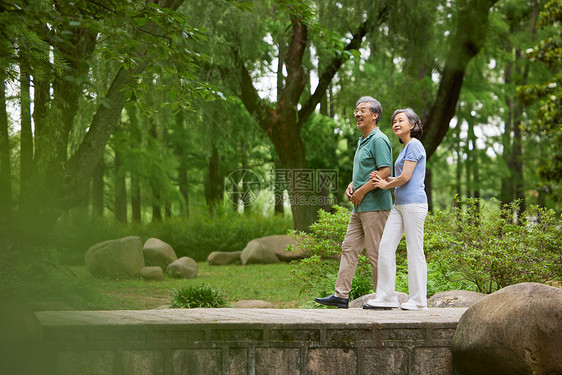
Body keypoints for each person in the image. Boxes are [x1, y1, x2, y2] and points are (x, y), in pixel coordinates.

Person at [314, 96, 393, 309]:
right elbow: (367, 170)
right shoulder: (362, 140)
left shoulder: (378, 139)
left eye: (363, 110)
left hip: (375, 206)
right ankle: (341, 295)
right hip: (359, 206)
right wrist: (352, 184)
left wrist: (361, 191)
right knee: (348, 247)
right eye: (356, 110)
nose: (357, 114)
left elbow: (386, 171)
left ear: (375, 115)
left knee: (376, 253)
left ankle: (383, 298)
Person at [363, 107, 429, 311]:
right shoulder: (406, 148)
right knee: (385, 246)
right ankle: (386, 297)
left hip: (414, 204)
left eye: (401, 120)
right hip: (400, 205)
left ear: (413, 124)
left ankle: (419, 300)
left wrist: (385, 185)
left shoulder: (415, 145)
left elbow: (406, 178)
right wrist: (381, 179)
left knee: (414, 250)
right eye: (394, 122)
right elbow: (400, 179)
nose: (396, 124)